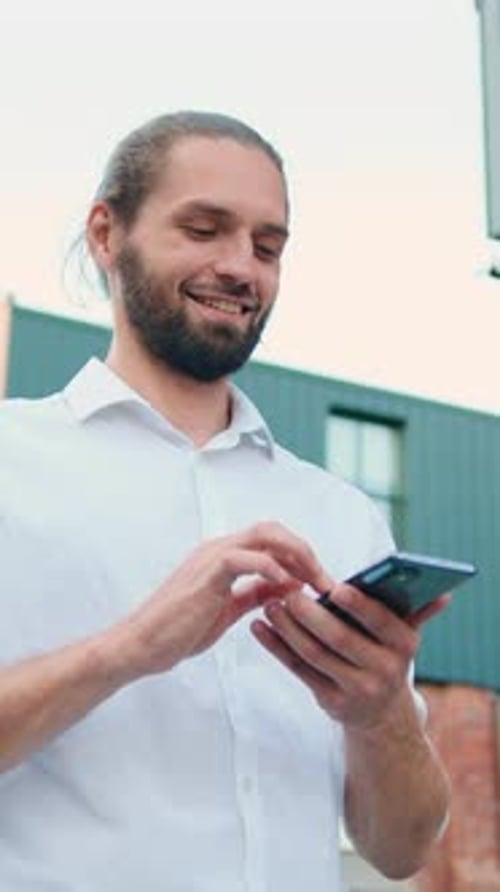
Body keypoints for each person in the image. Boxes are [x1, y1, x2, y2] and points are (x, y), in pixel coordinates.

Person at [0, 111, 450, 891]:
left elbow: (403, 850)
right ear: (108, 235)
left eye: (267, 245)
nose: (242, 267)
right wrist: (130, 647)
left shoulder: (342, 515)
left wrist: (379, 713)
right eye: (204, 229)